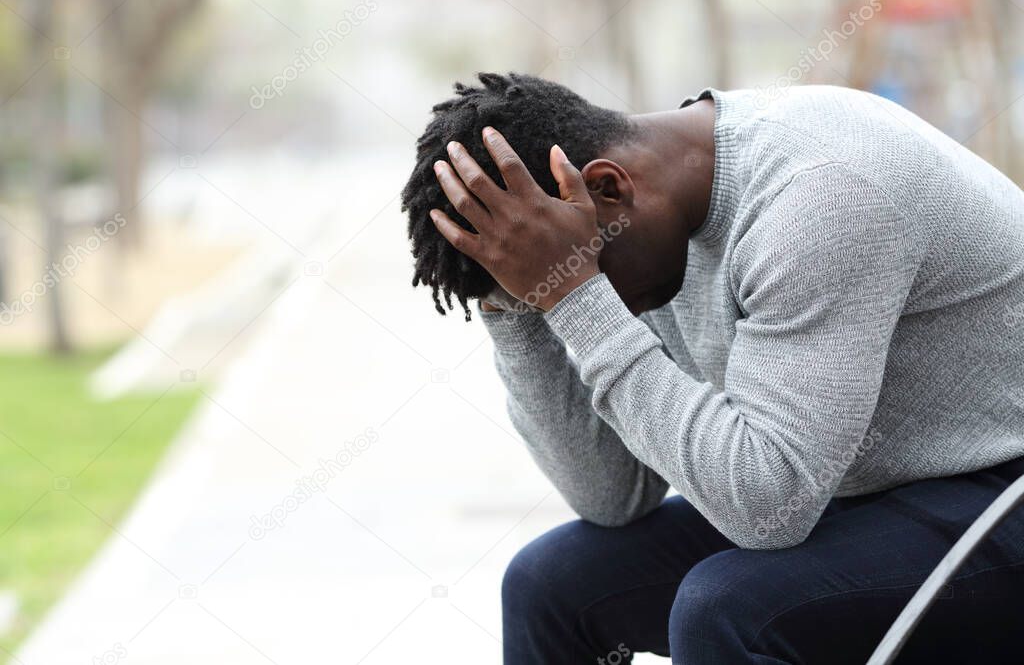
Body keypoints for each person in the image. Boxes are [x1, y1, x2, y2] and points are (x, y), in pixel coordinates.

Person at [400, 72, 1024, 664]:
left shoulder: (822, 192)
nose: (591, 301)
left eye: (573, 273)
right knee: (550, 584)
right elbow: (614, 498)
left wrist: (575, 296)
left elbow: (769, 505)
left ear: (609, 188)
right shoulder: (632, 223)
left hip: (1000, 490)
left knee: (727, 607)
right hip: (847, 492)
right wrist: (517, 308)